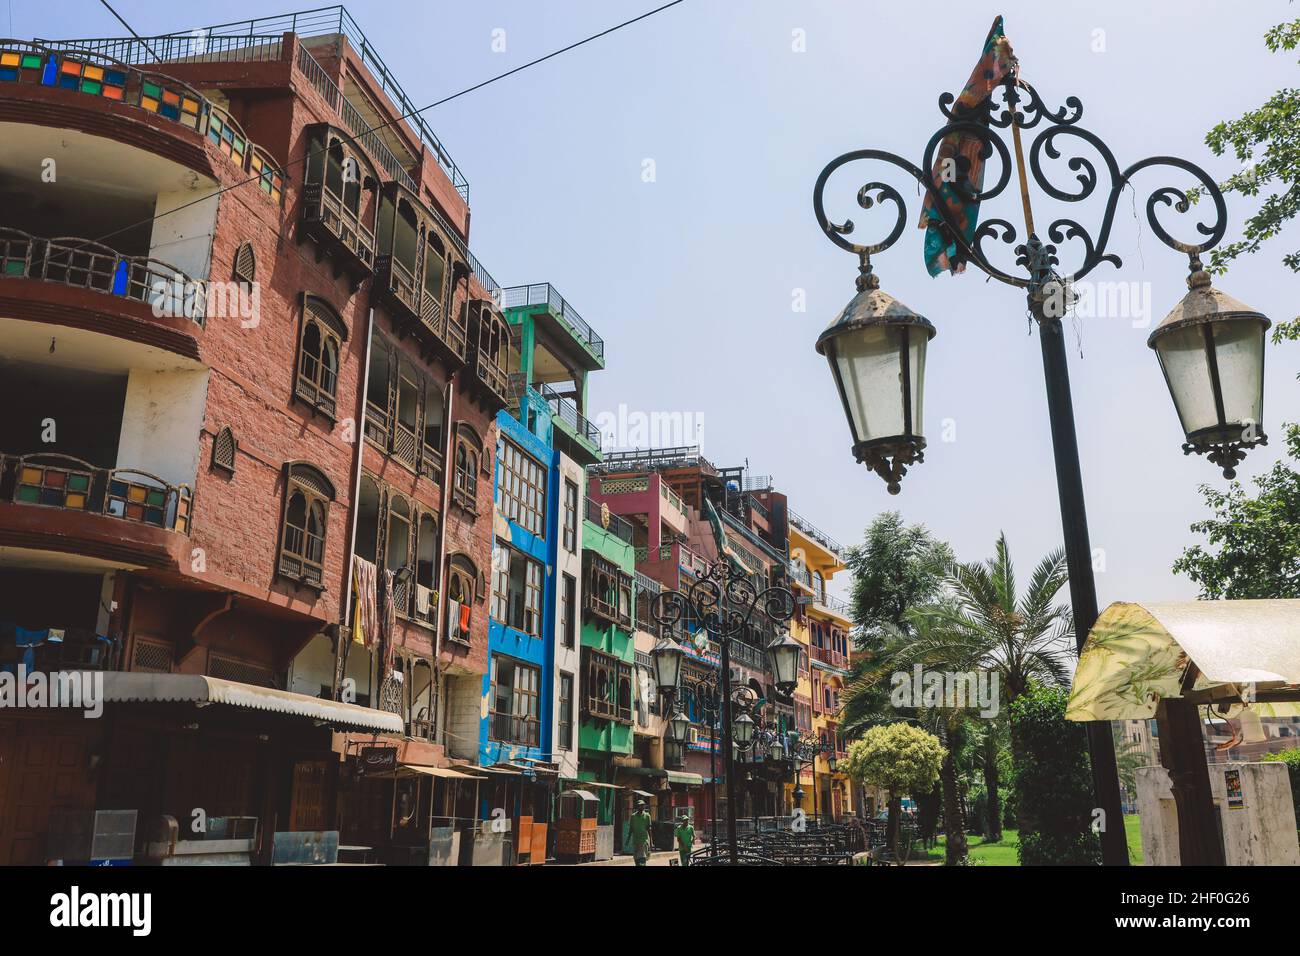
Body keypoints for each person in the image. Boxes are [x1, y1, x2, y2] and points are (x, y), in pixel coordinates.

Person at [629, 800, 653, 866]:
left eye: (643, 805)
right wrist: (628, 840)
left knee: (642, 857)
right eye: (640, 805)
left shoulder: (647, 816)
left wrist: (651, 841)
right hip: (635, 840)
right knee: (636, 858)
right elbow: (631, 829)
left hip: (643, 840)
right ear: (637, 806)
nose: (642, 807)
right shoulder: (633, 816)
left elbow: (649, 829)